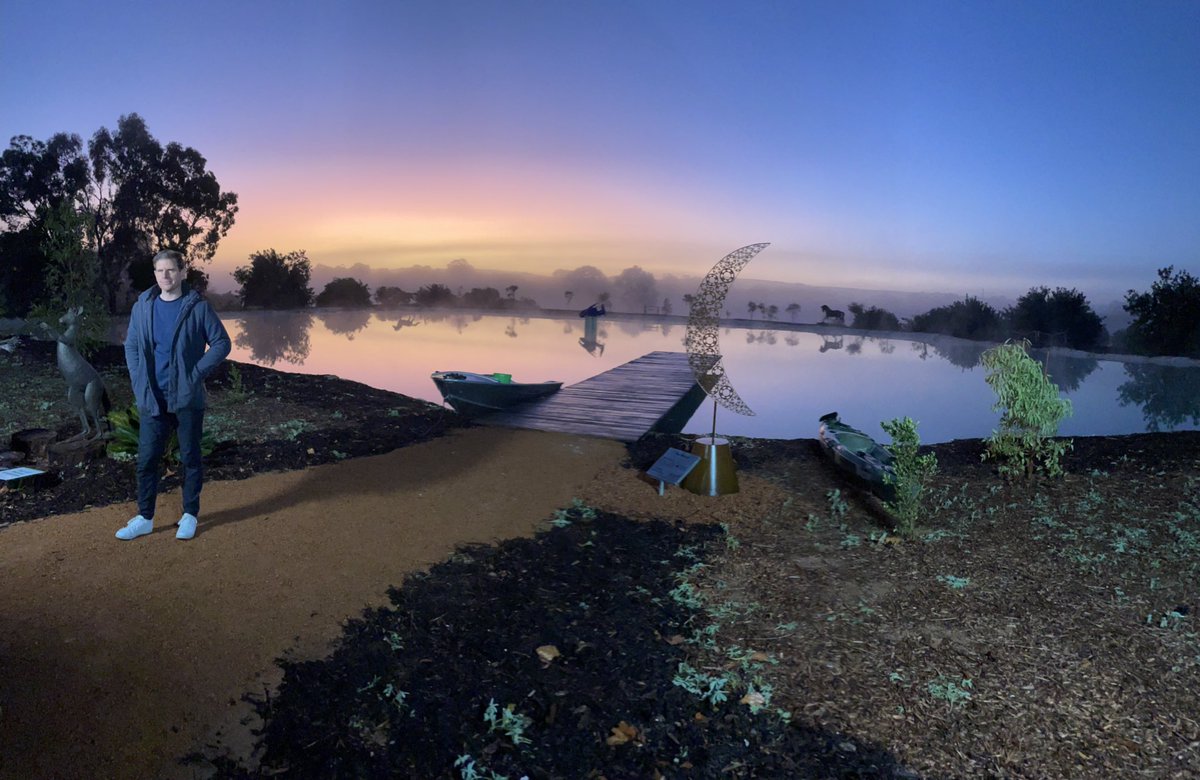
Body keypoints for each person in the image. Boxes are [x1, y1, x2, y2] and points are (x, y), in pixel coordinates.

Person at [115, 250, 230, 541]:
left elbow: (221, 343)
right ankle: (145, 517)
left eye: (170, 270)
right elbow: (131, 345)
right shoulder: (143, 306)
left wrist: (195, 373)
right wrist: (138, 376)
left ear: (181, 273)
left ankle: (189, 514)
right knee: (146, 460)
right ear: (154, 274)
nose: (165, 276)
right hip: (153, 397)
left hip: (186, 398)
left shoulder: (198, 308)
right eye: (159, 271)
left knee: (190, 457)